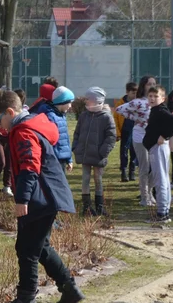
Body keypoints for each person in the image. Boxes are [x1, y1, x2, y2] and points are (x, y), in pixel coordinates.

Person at [0, 90, 83, 303]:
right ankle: (69, 288)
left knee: (27, 249)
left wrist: (23, 199)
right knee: (40, 247)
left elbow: (30, 166)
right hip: (46, 196)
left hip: (41, 197)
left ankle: (26, 299)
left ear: (10, 112)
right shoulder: (29, 126)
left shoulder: (23, 132)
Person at [71, 86, 116, 217]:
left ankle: (99, 206)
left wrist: (103, 152)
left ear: (96, 100)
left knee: (98, 179)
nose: (85, 101)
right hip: (85, 154)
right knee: (85, 178)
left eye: (88, 99)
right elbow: (77, 133)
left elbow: (111, 136)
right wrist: (76, 147)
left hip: (98, 155)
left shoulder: (106, 117)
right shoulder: (84, 115)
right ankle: (87, 206)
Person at [116, 76, 157, 206]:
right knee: (144, 168)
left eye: (154, 84)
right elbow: (119, 109)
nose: (151, 86)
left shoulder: (157, 101)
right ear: (143, 86)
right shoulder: (139, 102)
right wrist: (136, 118)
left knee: (155, 168)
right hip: (140, 137)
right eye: (149, 84)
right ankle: (144, 197)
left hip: (154, 137)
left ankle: (149, 192)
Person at [143, 85, 173, 224]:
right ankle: (164, 211)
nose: (152, 99)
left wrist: (164, 136)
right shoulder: (155, 110)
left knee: (161, 179)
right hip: (154, 147)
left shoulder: (160, 110)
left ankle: (162, 213)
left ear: (162, 98)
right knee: (161, 178)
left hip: (158, 148)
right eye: (150, 96)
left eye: (155, 96)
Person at [44, 87, 74, 172]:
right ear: (62, 101)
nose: (70, 106)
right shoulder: (51, 116)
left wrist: (69, 159)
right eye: (69, 102)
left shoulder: (62, 116)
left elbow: (65, 139)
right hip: (54, 159)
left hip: (63, 158)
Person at [114, 82, 138, 182]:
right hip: (125, 131)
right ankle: (123, 171)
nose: (135, 95)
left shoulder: (138, 103)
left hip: (136, 131)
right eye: (133, 93)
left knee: (134, 151)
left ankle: (132, 171)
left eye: (136, 93)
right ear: (127, 92)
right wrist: (118, 133)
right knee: (124, 151)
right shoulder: (120, 103)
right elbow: (115, 119)